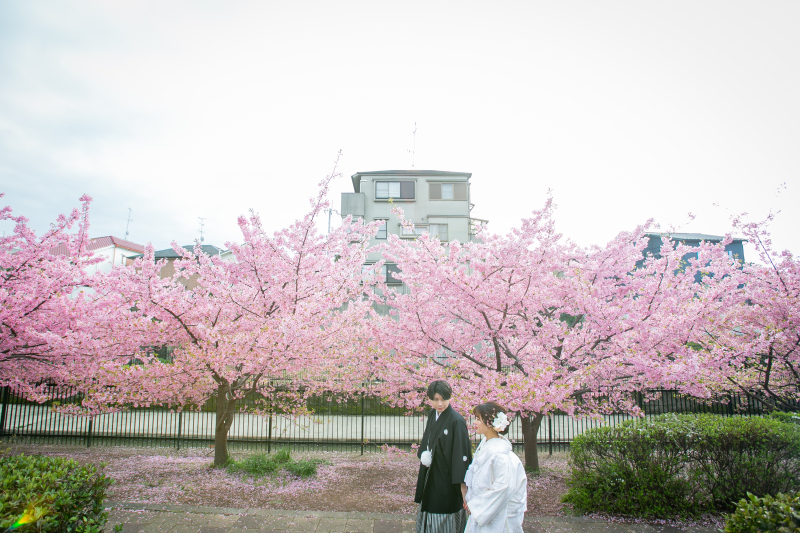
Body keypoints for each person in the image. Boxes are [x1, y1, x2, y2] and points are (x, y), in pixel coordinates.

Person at [415, 380, 473, 533]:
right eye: (435, 399)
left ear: (450, 398)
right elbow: (427, 438)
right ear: (429, 399)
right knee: (430, 506)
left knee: (443, 511)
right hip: (431, 472)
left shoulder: (456, 420)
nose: (439, 403)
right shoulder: (433, 414)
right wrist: (424, 454)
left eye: (443, 399)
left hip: (447, 478)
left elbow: (461, 454)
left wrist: (463, 488)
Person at [462, 402, 527, 533]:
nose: (474, 422)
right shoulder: (487, 446)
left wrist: (476, 506)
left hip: (495, 517)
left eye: (478, 419)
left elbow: (503, 488)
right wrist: (470, 499)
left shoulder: (500, 456)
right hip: (482, 511)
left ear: (489, 423)